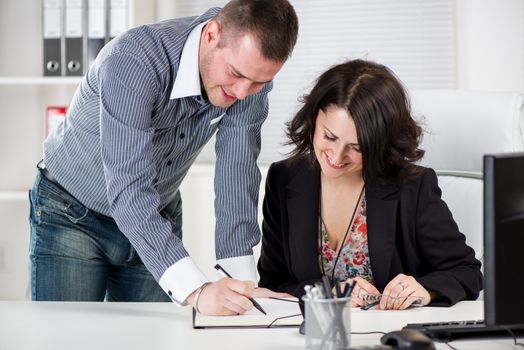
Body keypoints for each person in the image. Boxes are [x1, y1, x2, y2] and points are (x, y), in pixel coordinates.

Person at [29, 0, 298, 316]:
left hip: (157, 215)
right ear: (211, 34)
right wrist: (197, 292)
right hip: (72, 214)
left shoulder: (249, 75)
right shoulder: (133, 60)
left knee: (150, 340)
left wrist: (242, 285)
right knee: (67, 337)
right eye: (235, 74)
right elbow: (128, 189)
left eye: (258, 83)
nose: (242, 92)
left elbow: (236, 171)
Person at [257, 59, 483, 310]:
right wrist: (328, 294)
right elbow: (273, 283)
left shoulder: (413, 187)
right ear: (313, 119)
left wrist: (426, 289)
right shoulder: (284, 178)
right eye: (329, 136)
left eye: (356, 147)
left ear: (380, 143)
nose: (336, 156)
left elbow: (467, 272)